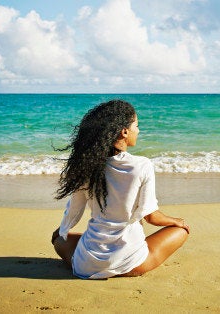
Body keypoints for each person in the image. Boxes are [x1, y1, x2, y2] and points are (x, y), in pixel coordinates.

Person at [51, 99, 189, 278]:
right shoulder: (142, 165)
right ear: (124, 132)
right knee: (181, 230)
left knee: (58, 240)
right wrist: (176, 221)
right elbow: (151, 217)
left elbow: (73, 211)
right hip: (131, 263)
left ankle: (96, 259)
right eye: (136, 126)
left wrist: (61, 231)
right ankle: (124, 259)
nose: (138, 130)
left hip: (86, 265)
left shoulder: (87, 166)